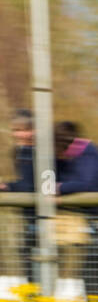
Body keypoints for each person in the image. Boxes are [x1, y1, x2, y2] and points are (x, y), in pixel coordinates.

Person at [53, 121, 98, 299]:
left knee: (92, 269)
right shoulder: (70, 157)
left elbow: (87, 183)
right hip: (93, 220)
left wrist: (59, 188)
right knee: (90, 269)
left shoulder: (89, 154)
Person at [0, 110, 36, 282]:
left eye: (26, 129)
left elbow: (30, 185)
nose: (21, 134)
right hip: (29, 216)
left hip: (41, 216)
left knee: (35, 261)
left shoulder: (36, 151)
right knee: (27, 259)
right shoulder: (20, 151)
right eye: (17, 130)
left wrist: (7, 186)